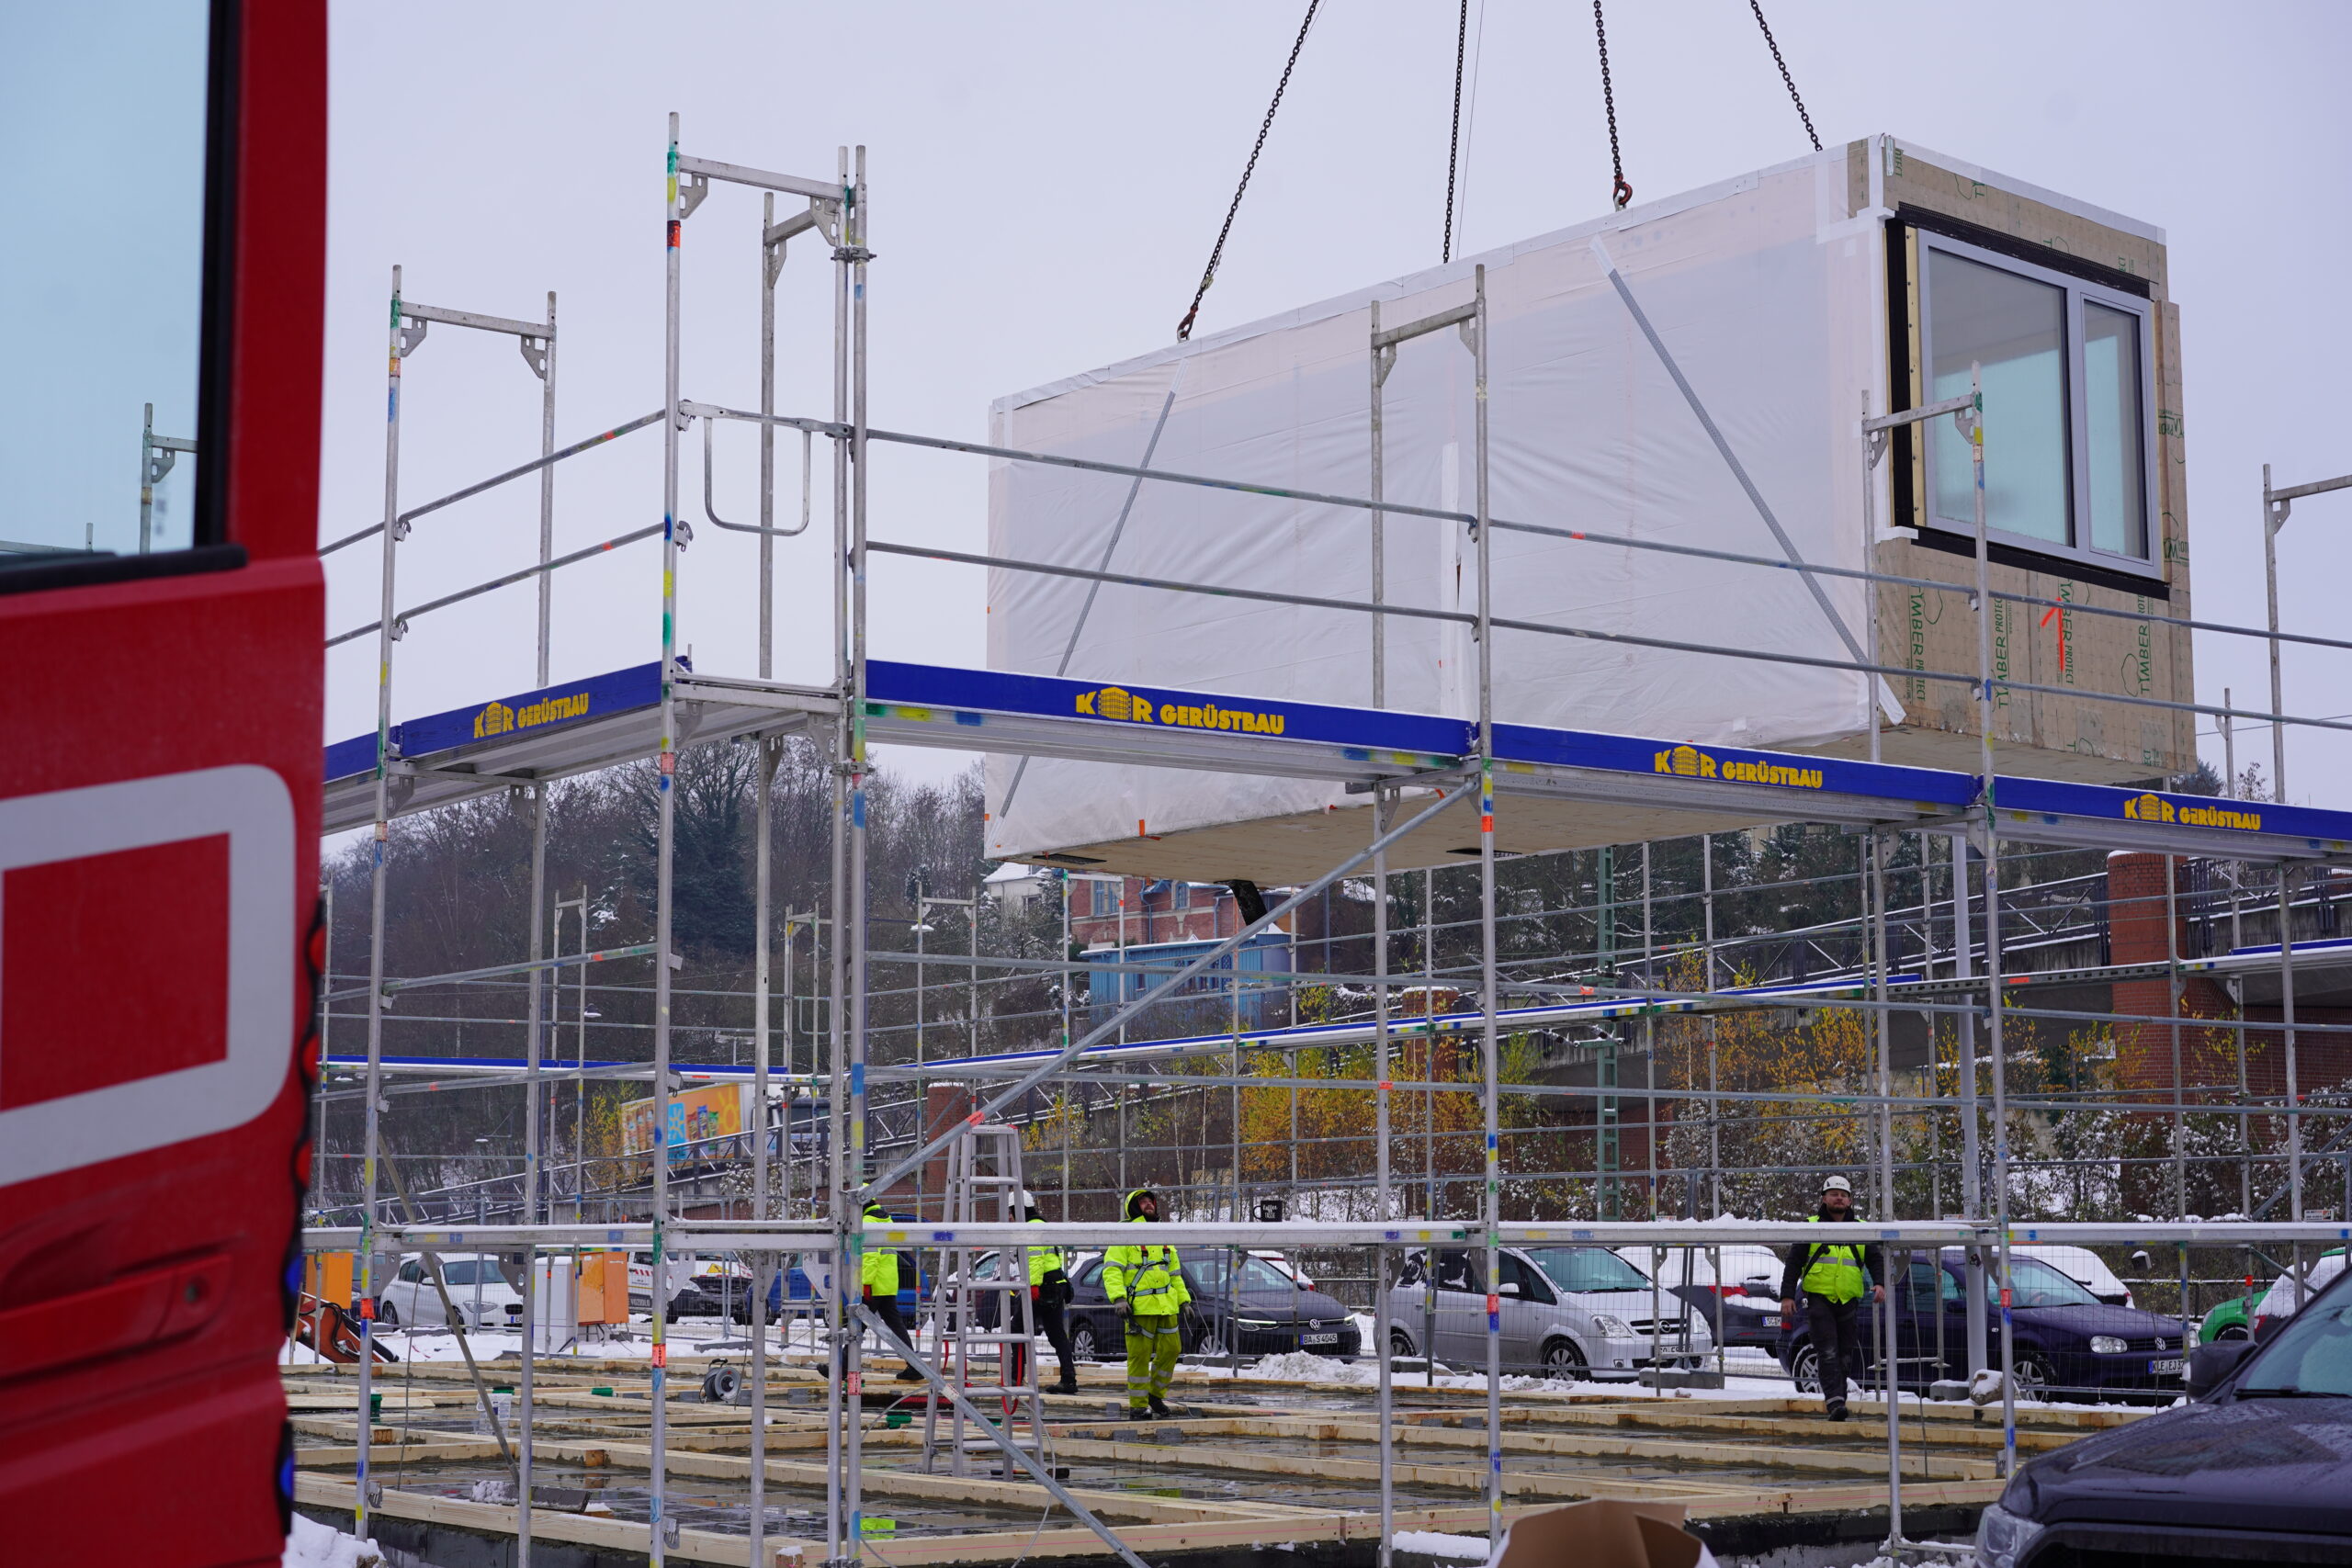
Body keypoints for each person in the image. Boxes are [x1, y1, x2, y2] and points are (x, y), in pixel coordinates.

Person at [1778, 1175, 1885, 1421]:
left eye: (1844, 1194)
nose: (1839, 1198)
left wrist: (1879, 1283)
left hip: (1848, 1300)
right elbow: (1793, 1263)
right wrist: (1786, 1296)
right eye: (1834, 1193)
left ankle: (1839, 1402)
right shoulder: (1810, 1225)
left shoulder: (1860, 1228)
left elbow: (1875, 1259)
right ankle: (1834, 1402)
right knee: (1826, 1351)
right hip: (1819, 1300)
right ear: (1824, 1198)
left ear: (1849, 1201)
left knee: (1845, 1355)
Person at [1102, 1186, 1190, 1420]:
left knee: (1172, 1350)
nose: (1149, 1204)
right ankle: (1138, 1405)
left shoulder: (1162, 1235)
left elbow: (1175, 1274)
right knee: (1139, 1358)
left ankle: (1155, 1395)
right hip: (1139, 1310)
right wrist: (1118, 1298)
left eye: (1151, 1201)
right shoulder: (1124, 1235)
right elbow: (1112, 1271)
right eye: (1143, 1202)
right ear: (1133, 1208)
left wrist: (1184, 1301)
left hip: (1166, 1306)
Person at [1011, 1190, 1080, 1395]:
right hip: (1057, 1285)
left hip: (1041, 1286)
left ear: (1018, 1209)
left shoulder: (1031, 1228)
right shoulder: (1043, 1224)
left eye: (1011, 1212)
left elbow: (1035, 1259)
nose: (1009, 1217)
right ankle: (1069, 1379)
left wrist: (1032, 1285)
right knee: (1057, 1334)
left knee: (1018, 1331)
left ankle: (1016, 1379)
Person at [852, 1197, 926, 1382]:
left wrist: (865, 1283)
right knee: (896, 1327)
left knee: (856, 1325)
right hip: (888, 1284)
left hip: (874, 1285)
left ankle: (841, 1366)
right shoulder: (886, 1220)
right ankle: (915, 1366)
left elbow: (870, 1257)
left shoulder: (867, 1222)